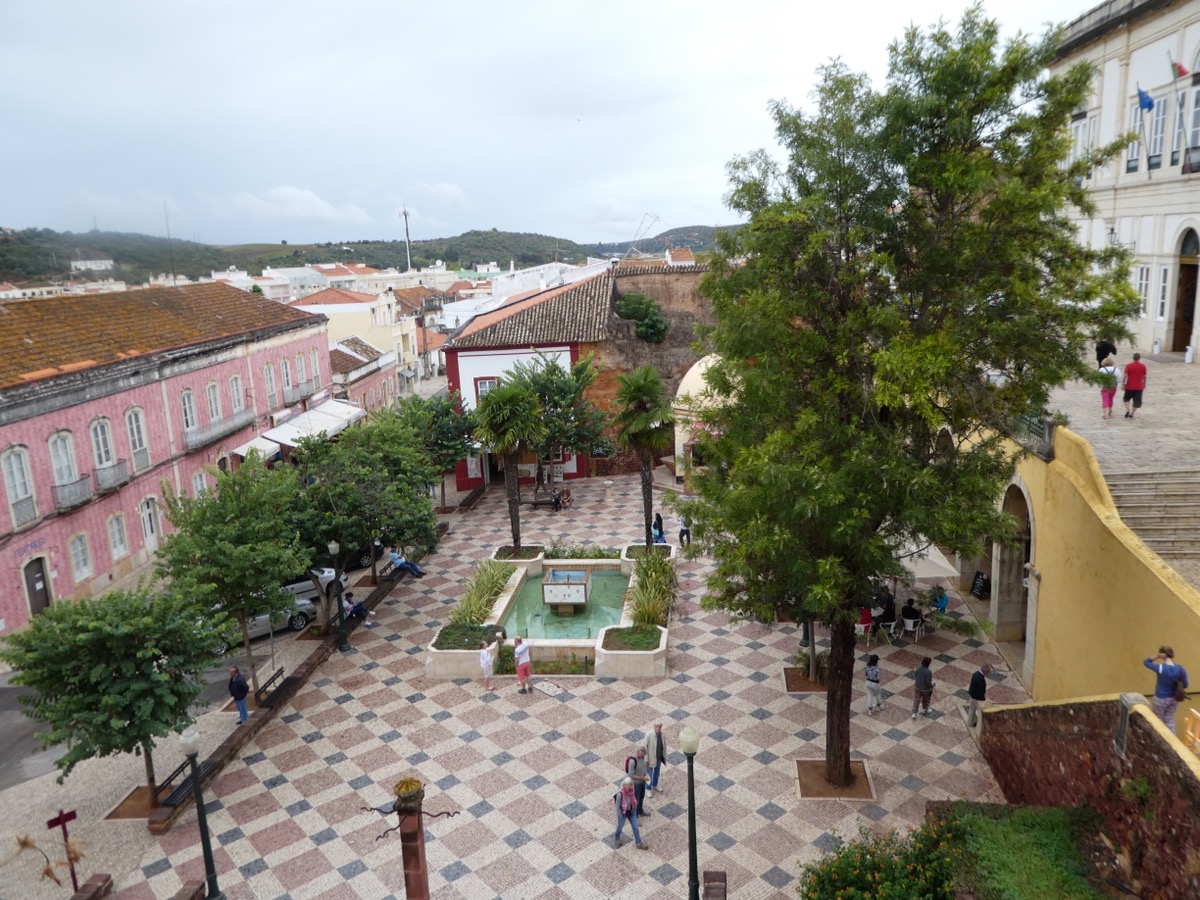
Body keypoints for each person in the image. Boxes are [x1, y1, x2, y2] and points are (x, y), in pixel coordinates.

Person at [1144, 646, 1188, 733]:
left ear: (1163, 655)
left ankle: (1158, 742)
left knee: (1157, 720)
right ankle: (1172, 742)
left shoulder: (1161, 668)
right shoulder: (1181, 669)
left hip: (1161, 699)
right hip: (1175, 699)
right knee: (1169, 720)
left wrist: (1157, 656)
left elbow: (1146, 662)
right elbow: (1186, 685)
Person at [613, 777, 647, 849]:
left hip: (632, 812)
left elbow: (634, 800)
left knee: (635, 828)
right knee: (620, 826)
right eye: (626, 785)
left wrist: (634, 809)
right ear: (623, 785)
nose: (627, 787)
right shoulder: (620, 794)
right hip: (623, 813)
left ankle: (638, 843)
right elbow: (617, 806)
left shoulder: (632, 791)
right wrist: (620, 816)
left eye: (629, 785)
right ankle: (617, 837)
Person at [1122, 352, 1147, 419]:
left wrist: (1123, 384)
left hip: (1129, 386)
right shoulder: (1143, 366)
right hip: (1139, 386)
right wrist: (1144, 383)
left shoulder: (1129, 365)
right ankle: (1132, 414)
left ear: (1133, 358)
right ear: (1139, 358)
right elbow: (1144, 376)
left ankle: (1127, 409)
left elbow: (1125, 375)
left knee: (1126, 398)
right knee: (1137, 401)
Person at [626, 747, 650, 816]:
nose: (644, 756)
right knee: (635, 801)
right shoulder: (632, 761)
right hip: (636, 784)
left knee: (641, 798)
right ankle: (635, 817)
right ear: (639, 753)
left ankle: (640, 811)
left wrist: (645, 773)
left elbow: (643, 766)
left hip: (642, 782)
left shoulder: (642, 758)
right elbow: (631, 775)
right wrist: (643, 777)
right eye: (643, 755)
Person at [644, 723, 666, 794]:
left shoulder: (662, 734)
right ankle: (648, 788)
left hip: (658, 758)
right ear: (654, 727)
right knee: (649, 774)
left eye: (660, 726)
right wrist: (646, 759)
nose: (658, 728)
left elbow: (664, 746)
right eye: (657, 726)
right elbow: (644, 747)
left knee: (657, 773)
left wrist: (664, 756)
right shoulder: (649, 735)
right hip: (650, 759)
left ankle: (655, 785)